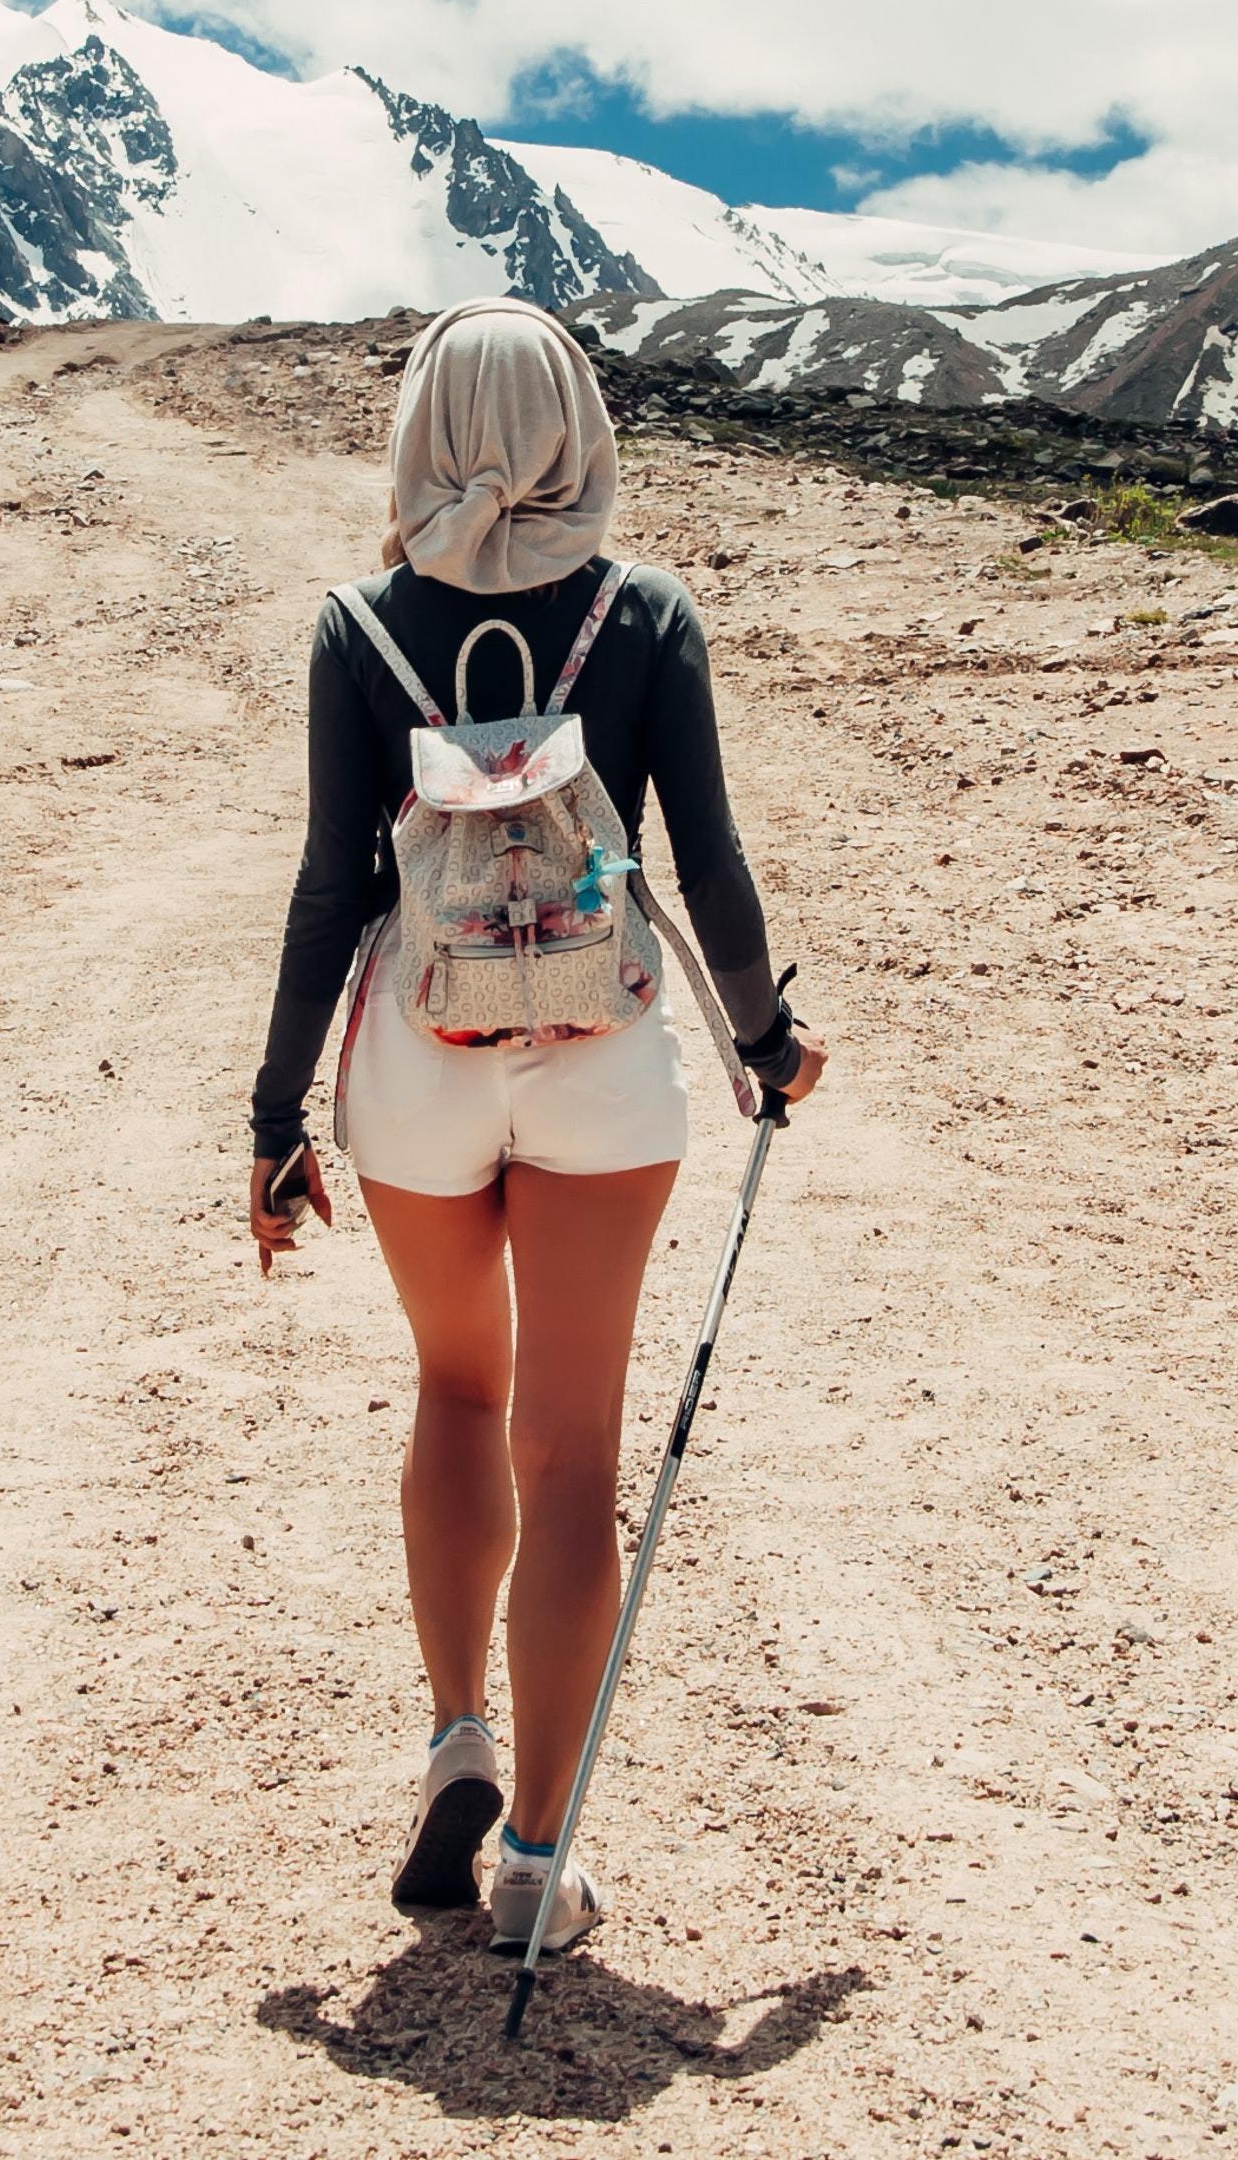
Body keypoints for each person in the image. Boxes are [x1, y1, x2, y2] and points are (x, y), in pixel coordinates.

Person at [244, 298, 819, 1960]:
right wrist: (765, 1040)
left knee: (455, 1385)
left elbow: (325, 885)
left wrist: (274, 1114)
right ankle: (540, 1861)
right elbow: (701, 862)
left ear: (418, 432)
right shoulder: (644, 616)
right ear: (581, 431)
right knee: (572, 1446)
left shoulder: (358, 626)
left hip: (418, 1056)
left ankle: (454, 1740)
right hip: (602, 1057)